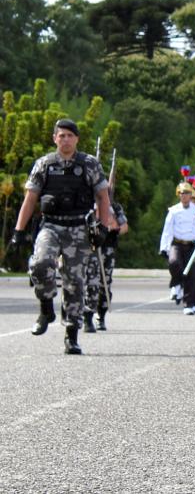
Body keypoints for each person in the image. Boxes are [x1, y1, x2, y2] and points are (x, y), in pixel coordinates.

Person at [8, 119, 114, 354]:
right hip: (51, 226)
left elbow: (103, 198)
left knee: (74, 282)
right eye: (61, 135)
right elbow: (30, 199)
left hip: (78, 229)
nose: (65, 139)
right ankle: (46, 307)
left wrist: (103, 227)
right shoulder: (44, 164)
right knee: (40, 264)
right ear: (54, 138)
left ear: (76, 139)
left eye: (70, 135)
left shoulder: (89, 164)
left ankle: (71, 335)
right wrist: (18, 230)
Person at [159, 182, 195, 315]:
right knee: (174, 262)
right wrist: (164, 247)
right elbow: (167, 230)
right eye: (182, 193)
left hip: (192, 244)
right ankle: (177, 284)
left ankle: (189, 304)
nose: (184, 196)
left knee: (192, 274)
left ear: (191, 195)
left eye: (187, 193)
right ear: (178, 195)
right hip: (177, 244)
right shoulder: (173, 210)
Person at [84, 199, 128, 331]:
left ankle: (101, 316)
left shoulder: (114, 207)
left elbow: (124, 227)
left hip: (108, 247)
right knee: (91, 282)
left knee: (105, 283)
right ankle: (88, 317)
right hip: (91, 248)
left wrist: (113, 229)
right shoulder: (87, 204)